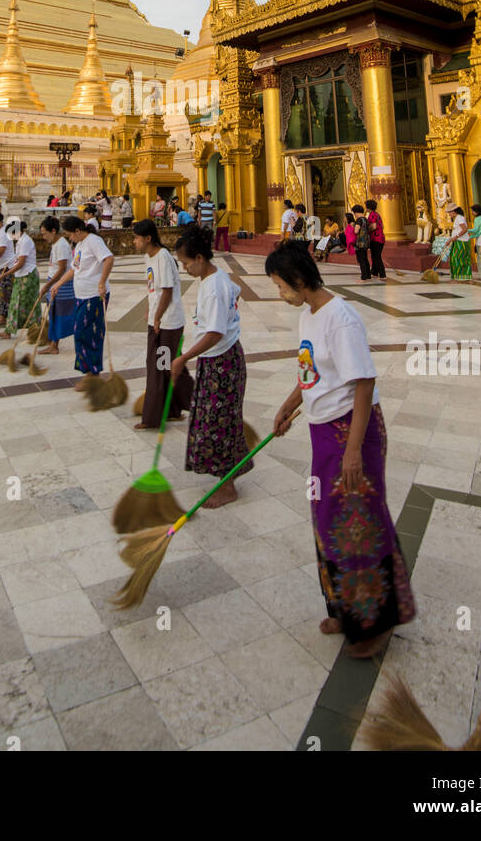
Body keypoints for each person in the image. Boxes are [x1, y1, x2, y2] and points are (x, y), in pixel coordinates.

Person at [266, 240, 416, 658]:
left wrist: (353, 452)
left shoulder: (341, 318)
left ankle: (376, 621)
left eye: (280, 286)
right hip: (322, 432)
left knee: (359, 521)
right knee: (327, 516)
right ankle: (346, 609)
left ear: (299, 280)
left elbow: (362, 382)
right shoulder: (310, 315)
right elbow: (311, 372)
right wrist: (288, 406)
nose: (280, 294)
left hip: (354, 432)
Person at [171, 224, 249, 508]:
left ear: (200, 259)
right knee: (213, 420)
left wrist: (183, 357)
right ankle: (224, 476)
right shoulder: (217, 278)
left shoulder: (213, 288)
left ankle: (227, 486)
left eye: (186, 262)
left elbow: (214, 332)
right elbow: (237, 291)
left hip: (222, 361)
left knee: (219, 423)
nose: (184, 268)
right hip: (220, 358)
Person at [133, 219, 190, 430]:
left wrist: (157, 317)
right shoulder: (149, 257)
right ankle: (172, 410)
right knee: (162, 366)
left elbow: (167, 290)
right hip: (158, 320)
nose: (134, 242)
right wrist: (152, 312)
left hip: (168, 323)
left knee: (161, 366)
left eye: (137, 238)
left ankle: (154, 417)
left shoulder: (163, 257)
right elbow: (154, 289)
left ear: (148, 238)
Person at [51, 215, 114, 380]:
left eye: (70, 234)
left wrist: (101, 282)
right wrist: (58, 284)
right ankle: (88, 371)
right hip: (82, 295)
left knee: (88, 333)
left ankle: (93, 373)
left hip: (94, 295)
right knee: (79, 332)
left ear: (78, 231)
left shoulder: (93, 241)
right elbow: (74, 269)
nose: (69, 238)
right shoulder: (79, 245)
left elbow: (108, 259)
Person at [0, 220, 42, 338]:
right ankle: (9, 330)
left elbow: (21, 263)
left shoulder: (25, 241)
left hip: (27, 275)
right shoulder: (20, 241)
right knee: (15, 302)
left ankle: (36, 329)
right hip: (21, 275)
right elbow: (17, 259)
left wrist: (6, 274)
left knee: (25, 303)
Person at [37, 216, 75, 354]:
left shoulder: (62, 245)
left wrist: (49, 285)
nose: (43, 237)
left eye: (44, 233)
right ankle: (53, 343)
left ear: (53, 231)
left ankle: (54, 345)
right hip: (55, 283)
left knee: (58, 315)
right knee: (53, 314)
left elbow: (61, 269)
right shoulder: (56, 244)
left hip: (61, 285)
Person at [448, 206, 472, 282]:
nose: (449, 214)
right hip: (459, 240)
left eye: (449, 212)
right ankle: (464, 277)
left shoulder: (459, 218)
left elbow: (464, 229)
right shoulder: (458, 218)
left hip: (461, 241)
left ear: (454, 212)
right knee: (458, 258)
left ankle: (459, 278)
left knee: (457, 259)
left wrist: (456, 236)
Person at [365, 199, 386, 279]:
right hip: (380, 237)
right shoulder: (377, 214)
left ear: (368, 207)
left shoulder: (372, 215)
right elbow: (382, 226)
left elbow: (373, 226)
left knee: (376, 256)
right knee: (374, 256)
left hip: (376, 238)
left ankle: (382, 274)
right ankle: (374, 272)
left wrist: (366, 230)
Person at [351, 205, 371, 281]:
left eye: (354, 213)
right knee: (365, 259)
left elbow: (356, 231)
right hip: (366, 241)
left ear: (356, 212)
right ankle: (368, 275)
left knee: (361, 260)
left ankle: (363, 277)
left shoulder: (359, 220)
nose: (354, 215)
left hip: (360, 242)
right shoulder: (365, 219)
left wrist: (353, 227)